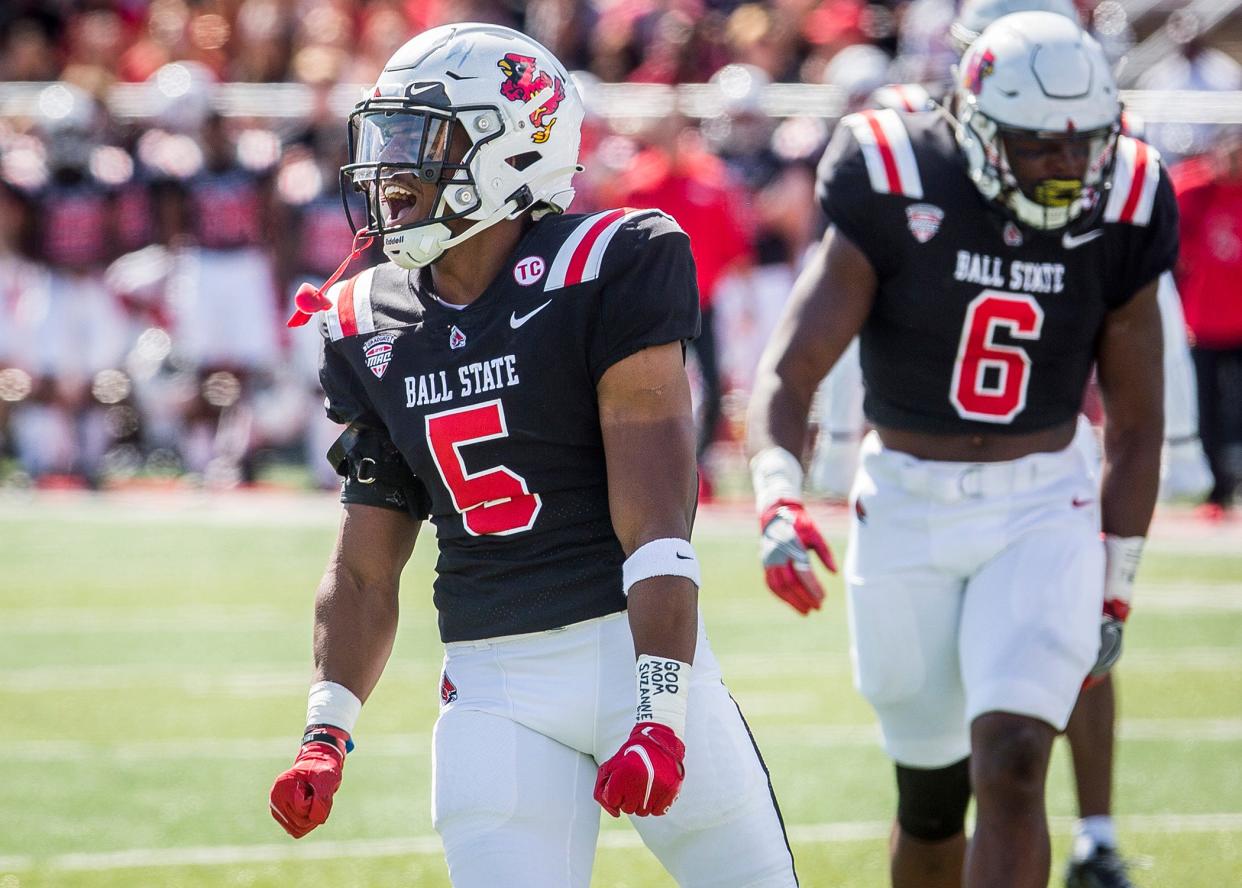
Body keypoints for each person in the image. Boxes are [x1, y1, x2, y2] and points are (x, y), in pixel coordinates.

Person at [268, 24, 799, 888]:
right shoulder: (365, 320)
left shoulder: (608, 263)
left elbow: (658, 521)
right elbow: (365, 566)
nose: (389, 169)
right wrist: (325, 731)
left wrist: (662, 713)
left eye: (419, 141)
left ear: (509, 146)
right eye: (387, 137)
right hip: (492, 681)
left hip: (637, 653)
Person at [748, 12, 1175, 888]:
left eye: (1081, 145)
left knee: (1017, 760)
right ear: (977, 129)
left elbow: (1136, 424)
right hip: (904, 500)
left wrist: (1118, 583)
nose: (1066, 168)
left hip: (1041, 502)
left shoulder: (1127, 194)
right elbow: (791, 372)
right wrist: (777, 495)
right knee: (933, 799)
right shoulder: (896, 171)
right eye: (1037, 148)